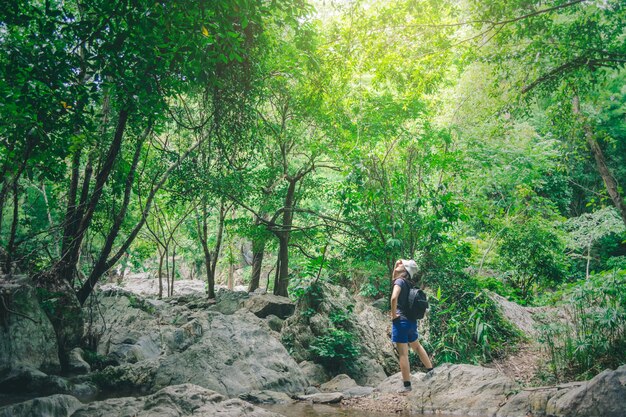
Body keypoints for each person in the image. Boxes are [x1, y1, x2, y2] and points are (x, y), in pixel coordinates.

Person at [390, 259, 433, 393]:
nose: (398, 265)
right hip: (411, 322)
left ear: (405, 270)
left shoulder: (399, 282)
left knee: (403, 354)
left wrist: (393, 315)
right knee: (417, 346)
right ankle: (431, 372)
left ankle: (407, 386)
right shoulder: (409, 283)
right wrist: (397, 266)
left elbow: (393, 298)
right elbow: (394, 278)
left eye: (401, 264)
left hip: (400, 321)